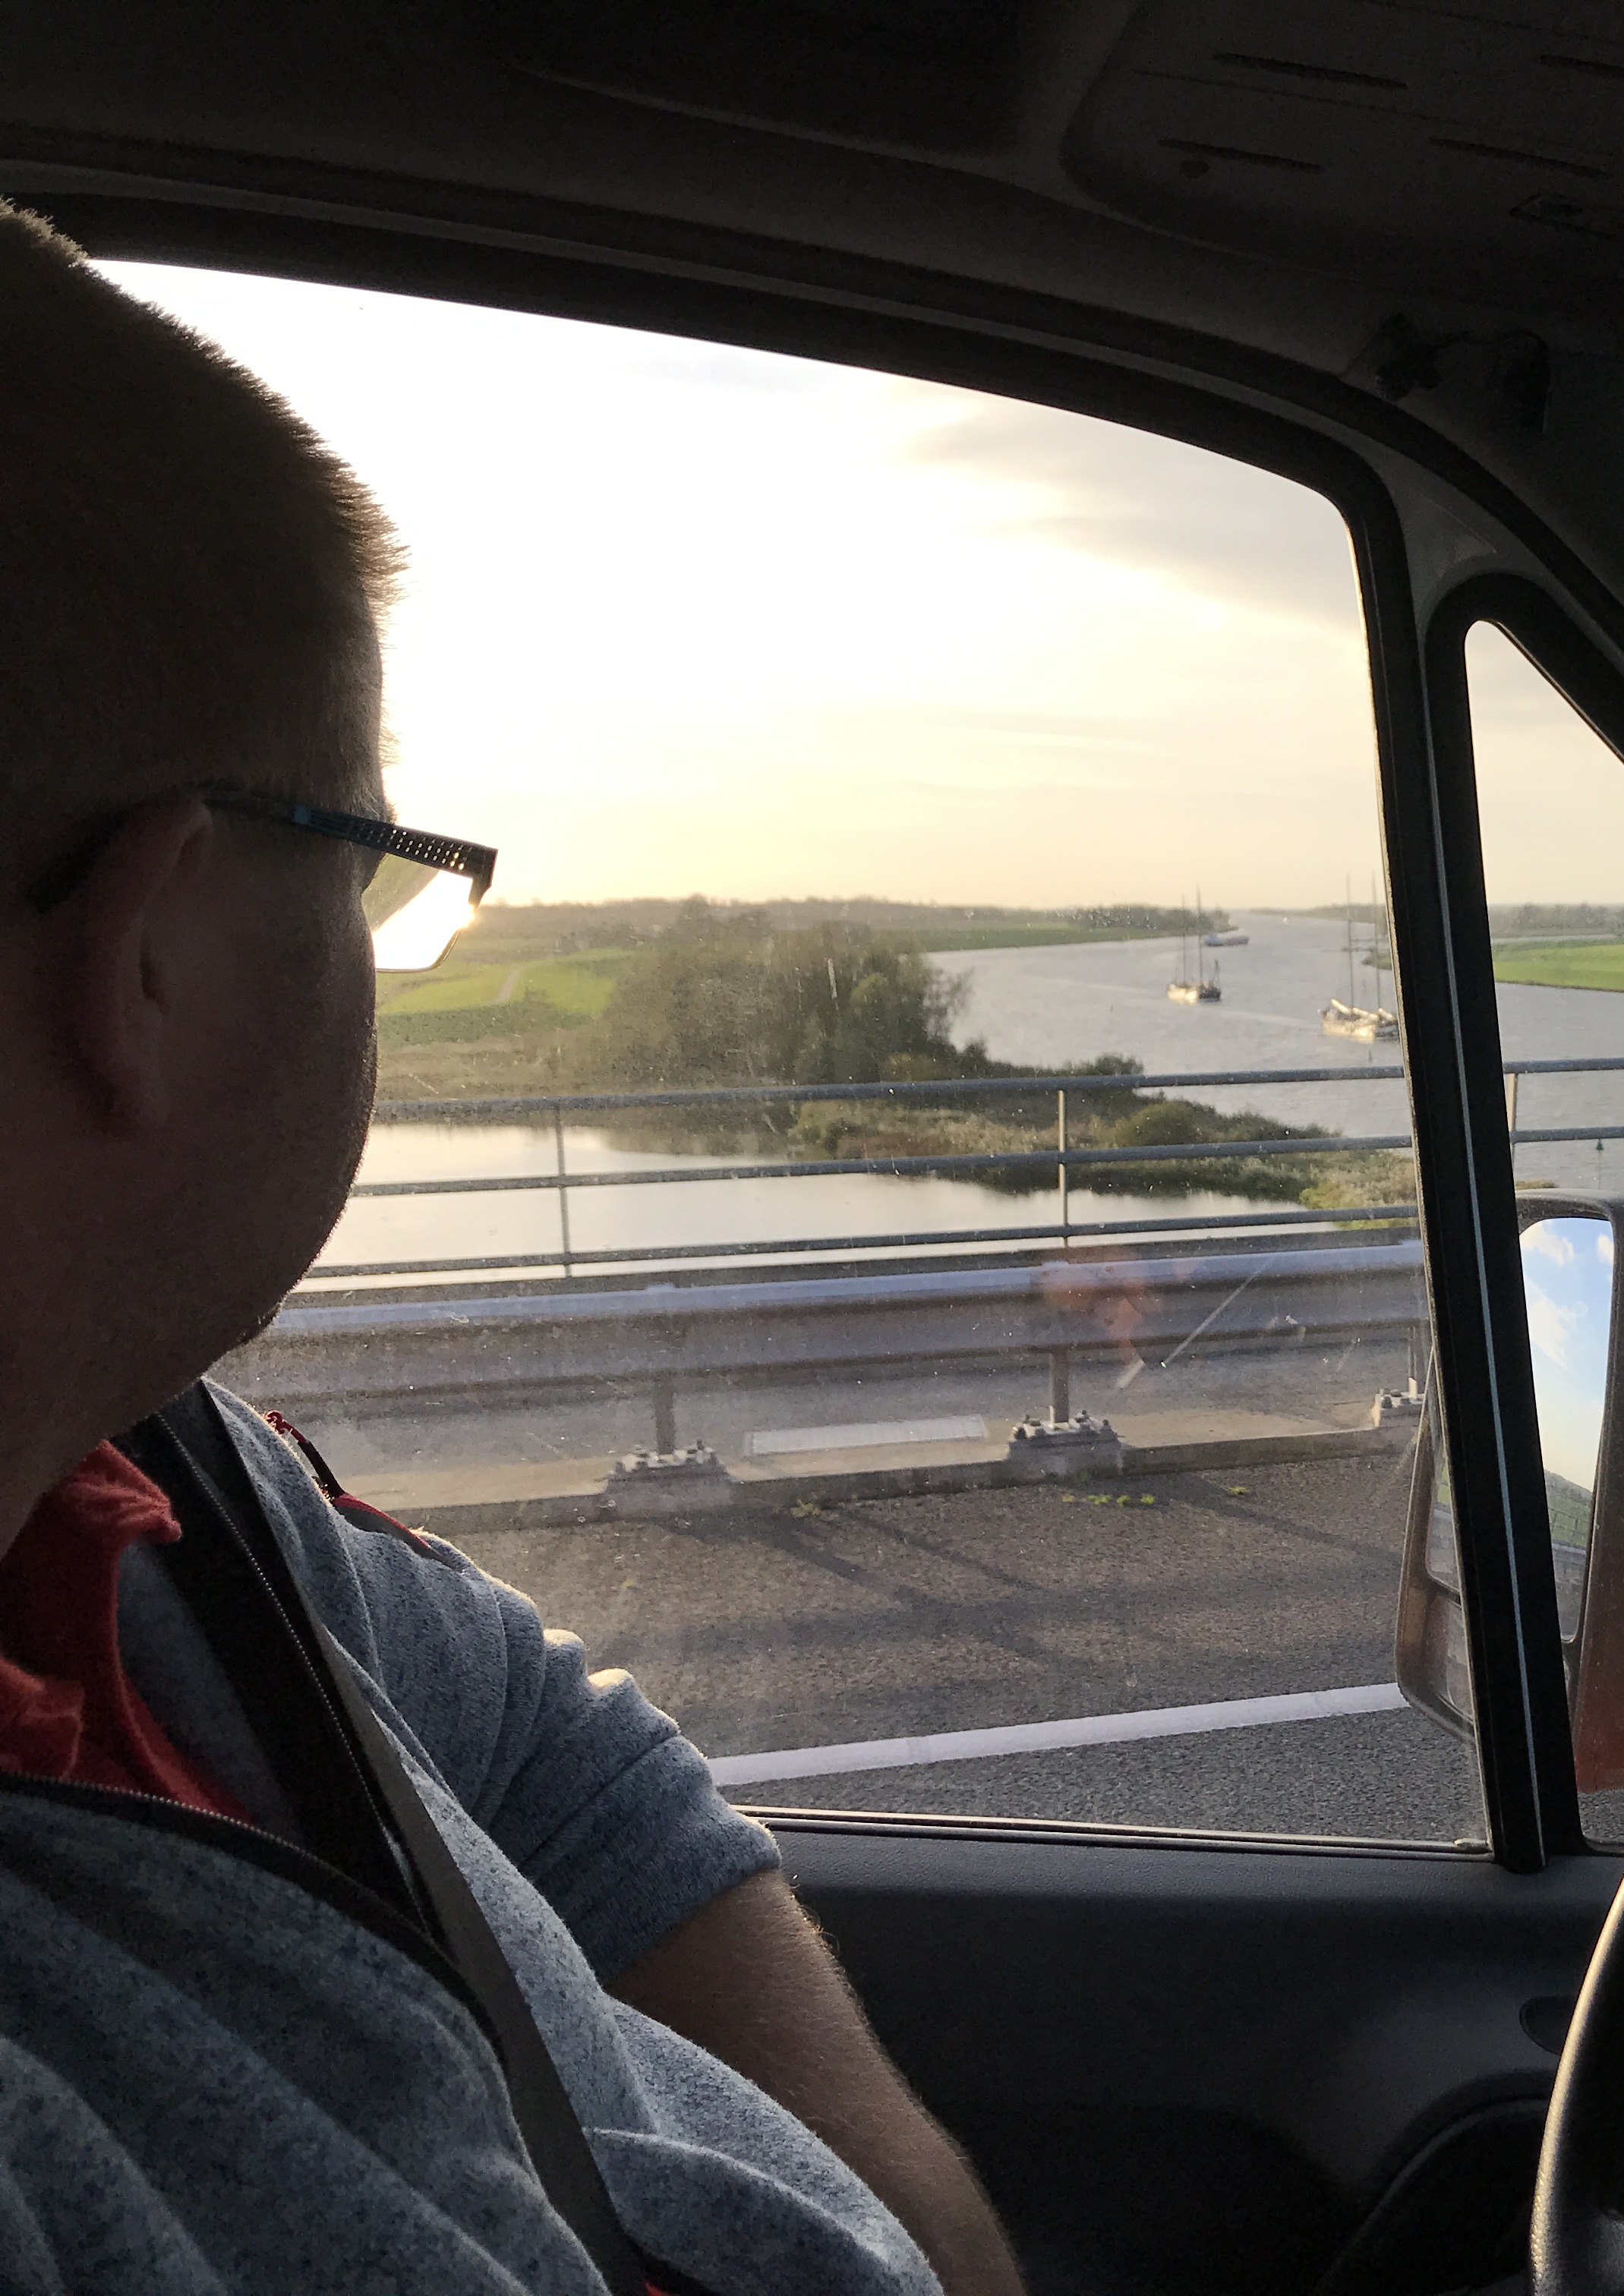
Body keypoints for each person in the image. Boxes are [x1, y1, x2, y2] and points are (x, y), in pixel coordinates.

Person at [0, 206, 1027, 2292]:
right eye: (370, 873)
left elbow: (560, 1769)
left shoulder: (160, 1483)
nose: (386, 951)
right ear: (155, 949)